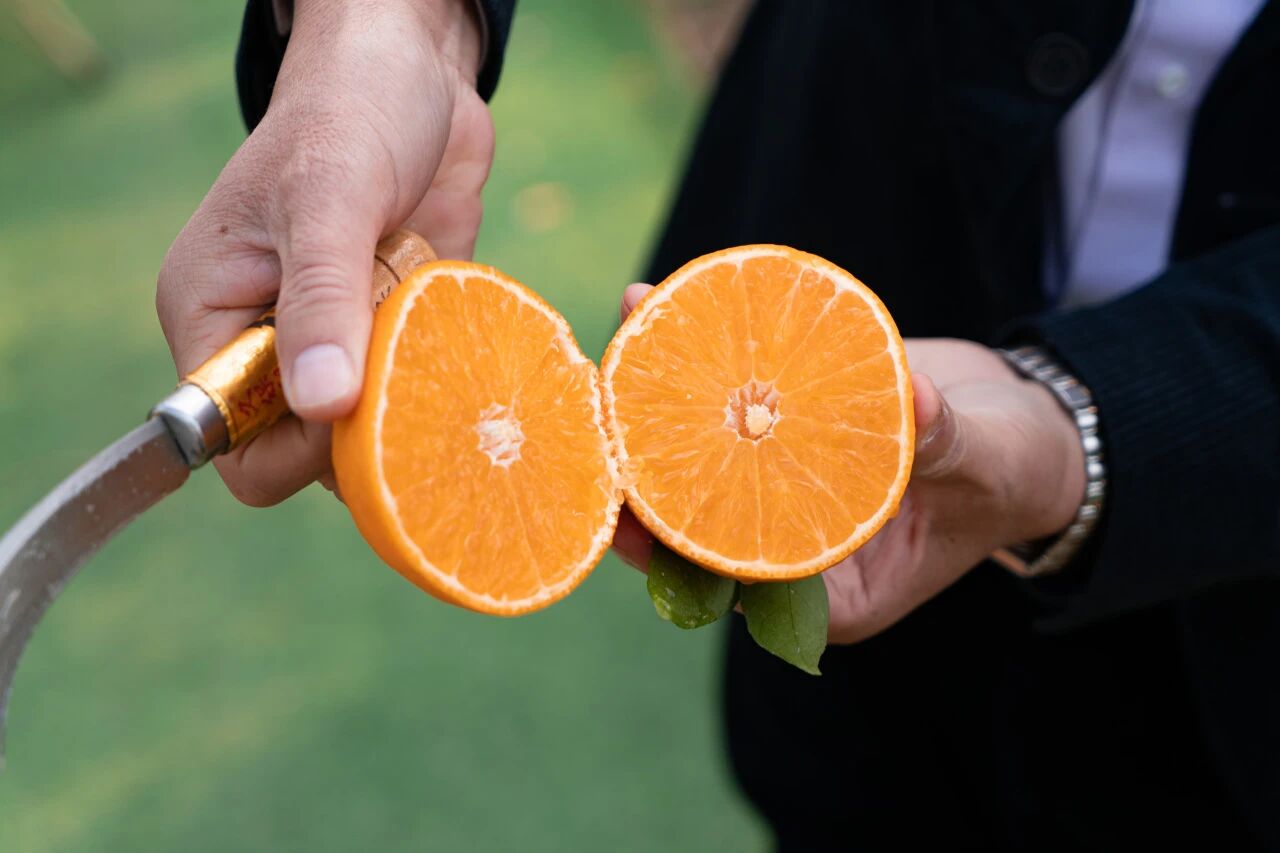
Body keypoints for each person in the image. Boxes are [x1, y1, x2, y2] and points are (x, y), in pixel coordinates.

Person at [156, 0, 1280, 847]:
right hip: (804, 374)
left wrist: (1091, 421)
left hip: (1237, 660)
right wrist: (392, 22)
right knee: (840, 779)